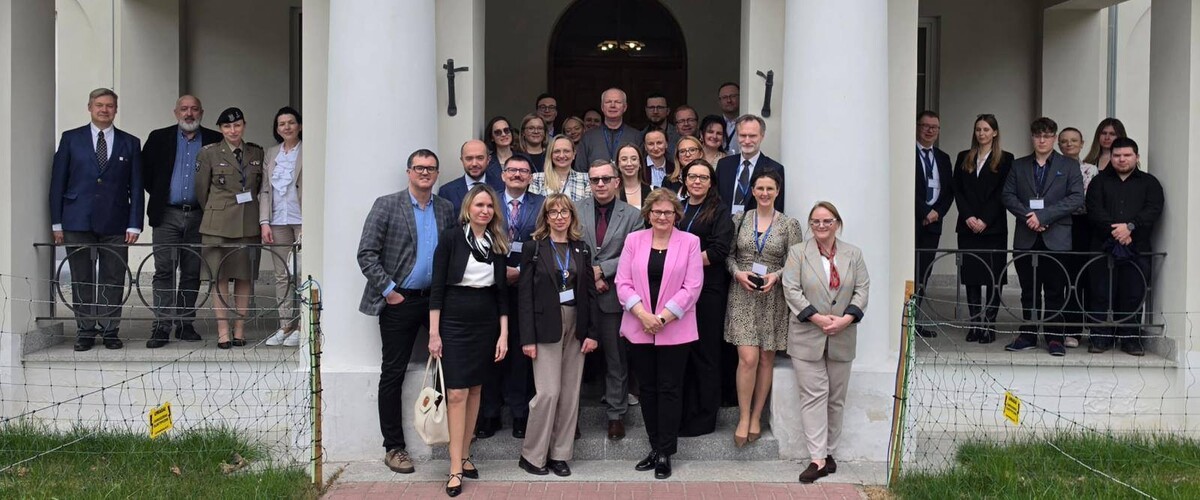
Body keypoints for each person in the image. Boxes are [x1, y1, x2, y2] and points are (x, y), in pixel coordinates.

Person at [356, 149, 456, 476]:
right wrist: (390, 292)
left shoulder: (446, 209)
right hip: (399, 302)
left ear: (437, 173)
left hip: (436, 302)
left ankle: (451, 441)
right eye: (419, 168)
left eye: (430, 168)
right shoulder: (387, 205)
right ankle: (394, 447)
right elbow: (366, 253)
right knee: (394, 372)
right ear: (409, 172)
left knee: (452, 366)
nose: (425, 173)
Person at [428, 184, 511, 497]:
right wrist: (434, 333)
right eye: (479, 205)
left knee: (476, 388)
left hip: (486, 323)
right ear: (468, 208)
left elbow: (502, 294)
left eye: (489, 206)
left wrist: (503, 334)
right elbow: (437, 287)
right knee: (457, 392)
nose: (485, 211)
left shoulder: (497, 242)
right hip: (453, 322)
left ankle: (465, 455)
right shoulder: (451, 238)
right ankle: (453, 468)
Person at [615, 188, 704, 480]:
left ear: (676, 214)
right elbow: (622, 282)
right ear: (648, 214)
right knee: (648, 390)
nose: (662, 217)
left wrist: (662, 318)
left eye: (667, 212)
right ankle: (654, 447)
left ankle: (666, 451)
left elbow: (692, 287)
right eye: (656, 212)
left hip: (674, 329)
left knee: (669, 389)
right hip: (639, 326)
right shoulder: (633, 240)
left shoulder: (690, 242)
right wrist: (642, 315)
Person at [781, 201, 870, 484]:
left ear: (837, 223)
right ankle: (817, 458)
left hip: (842, 335)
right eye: (816, 221)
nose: (821, 226)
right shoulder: (798, 253)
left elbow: (862, 289)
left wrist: (846, 319)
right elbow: (791, 289)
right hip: (807, 334)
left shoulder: (853, 254)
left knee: (836, 399)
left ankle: (830, 452)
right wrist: (818, 318)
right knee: (813, 397)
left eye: (827, 221)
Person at [50, 88, 144, 351]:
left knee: (113, 276)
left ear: (116, 109)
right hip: (77, 220)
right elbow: (58, 182)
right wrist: (57, 223)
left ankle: (110, 329)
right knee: (82, 276)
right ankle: (86, 330)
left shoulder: (130, 142)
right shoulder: (71, 139)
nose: (104, 110)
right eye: (99, 105)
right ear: (89, 107)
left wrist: (134, 223)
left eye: (110, 106)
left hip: (116, 222)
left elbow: (136, 187)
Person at [516, 194, 599, 477]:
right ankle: (532, 454)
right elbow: (524, 296)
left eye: (565, 212)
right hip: (545, 327)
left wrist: (592, 332)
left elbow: (589, 294)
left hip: (577, 324)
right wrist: (526, 338)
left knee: (569, 393)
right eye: (554, 212)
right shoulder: (534, 248)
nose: (560, 216)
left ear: (572, 217)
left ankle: (559, 455)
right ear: (546, 217)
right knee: (548, 392)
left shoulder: (581, 249)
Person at [724, 170, 803, 447]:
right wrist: (737, 274)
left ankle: (758, 415)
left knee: (767, 359)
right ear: (753, 191)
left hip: (772, 296)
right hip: (743, 294)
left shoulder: (789, 225)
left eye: (770, 188)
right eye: (760, 188)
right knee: (748, 358)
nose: (765, 193)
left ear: (777, 191)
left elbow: (795, 262)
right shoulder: (740, 219)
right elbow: (729, 256)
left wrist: (776, 276)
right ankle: (743, 416)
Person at [141, 95, 221, 348]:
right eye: (184, 109)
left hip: (200, 214)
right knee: (164, 270)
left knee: (191, 272)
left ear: (202, 112)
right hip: (166, 214)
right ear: (175, 112)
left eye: (194, 109)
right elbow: (145, 174)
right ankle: (162, 326)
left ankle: (185, 323)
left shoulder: (212, 140)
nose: (189, 114)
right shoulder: (158, 138)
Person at [1001, 117, 1084, 357]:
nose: (1042, 140)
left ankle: (1054, 336)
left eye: (1047, 136)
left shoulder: (1068, 166)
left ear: (1054, 138)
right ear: (1032, 137)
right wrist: (1029, 216)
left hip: (1056, 237)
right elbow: (1007, 195)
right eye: (1038, 135)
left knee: (1056, 289)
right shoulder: (1019, 165)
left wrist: (1044, 216)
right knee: (1029, 289)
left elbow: (1076, 197)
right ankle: (1028, 333)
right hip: (1027, 236)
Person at [476, 155, 545, 440]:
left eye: (523, 171)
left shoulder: (541, 205)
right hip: (490, 287)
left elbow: (545, 242)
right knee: (490, 350)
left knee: (519, 352)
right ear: (502, 175)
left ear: (531, 177)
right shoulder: (487, 202)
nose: (517, 174)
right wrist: (498, 271)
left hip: (526, 288)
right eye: (512, 170)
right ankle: (490, 412)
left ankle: (519, 412)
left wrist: (521, 271)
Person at [577, 159, 644, 440]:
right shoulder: (575, 210)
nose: (601, 184)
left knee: (616, 358)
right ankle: (571, 417)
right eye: (595, 180)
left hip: (614, 296)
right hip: (579, 296)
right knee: (575, 358)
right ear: (589, 183)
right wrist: (589, 274)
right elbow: (568, 244)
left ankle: (616, 414)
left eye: (606, 179)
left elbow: (635, 251)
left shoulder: (633, 215)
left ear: (617, 181)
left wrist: (603, 270)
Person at [1085, 137, 1163, 355]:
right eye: (1117, 155)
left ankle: (1130, 339)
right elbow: (1093, 209)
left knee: (1133, 292)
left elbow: (1153, 209)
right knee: (1100, 292)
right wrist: (1117, 232)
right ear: (1110, 157)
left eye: (1127, 155)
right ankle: (1100, 338)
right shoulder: (1098, 182)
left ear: (1136, 157)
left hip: (1136, 246)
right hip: (1102, 245)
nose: (1121, 159)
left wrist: (1130, 227)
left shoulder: (1150, 183)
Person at [195, 107, 263, 349]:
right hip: (217, 225)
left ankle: (240, 329)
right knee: (218, 278)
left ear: (244, 125)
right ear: (220, 129)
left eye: (237, 125)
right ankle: (223, 331)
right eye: (227, 127)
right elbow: (201, 192)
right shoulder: (209, 153)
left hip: (247, 223)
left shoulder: (256, 152)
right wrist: (218, 211)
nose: (232, 130)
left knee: (245, 278)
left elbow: (259, 187)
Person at [675, 160, 734, 437]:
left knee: (706, 352)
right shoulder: (677, 208)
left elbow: (720, 250)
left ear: (711, 182)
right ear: (685, 181)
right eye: (692, 177)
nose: (697, 181)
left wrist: (684, 261)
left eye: (703, 177)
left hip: (708, 291)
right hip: (678, 290)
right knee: (683, 352)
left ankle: (704, 418)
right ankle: (684, 412)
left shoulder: (720, 211)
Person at [952, 114, 1013, 344]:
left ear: (995, 132)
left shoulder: (1006, 159)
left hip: (993, 227)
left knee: (993, 277)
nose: (982, 133)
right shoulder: (963, 157)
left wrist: (985, 219)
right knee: (972, 276)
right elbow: (957, 189)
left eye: (986, 129)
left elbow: (1002, 192)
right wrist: (968, 216)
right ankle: (975, 323)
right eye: (978, 129)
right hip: (968, 227)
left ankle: (989, 323)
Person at [260, 106, 304, 347]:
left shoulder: (307, 150)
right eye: (281, 124)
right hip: (277, 220)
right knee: (281, 275)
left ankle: (303, 325)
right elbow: (265, 189)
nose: (286, 127)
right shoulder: (272, 152)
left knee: (302, 274)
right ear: (277, 129)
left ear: (299, 125)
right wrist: (264, 221)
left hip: (301, 220)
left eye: (291, 122)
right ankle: (285, 324)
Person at [913, 110, 954, 337]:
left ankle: (916, 321)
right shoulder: (907, 154)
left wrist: (937, 212)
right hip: (913, 222)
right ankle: (904, 323)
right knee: (907, 270)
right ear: (917, 127)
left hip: (933, 225)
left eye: (934, 127)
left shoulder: (943, 158)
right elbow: (907, 186)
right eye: (925, 125)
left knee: (924, 272)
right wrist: (924, 210)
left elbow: (949, 192)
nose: (929, 130)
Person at [1059, 127, 1099, 348]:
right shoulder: (1054, 168)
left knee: (1083, 278)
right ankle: (1069, 328)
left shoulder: (1090, 170)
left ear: (1082, 143)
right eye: (1064, 141)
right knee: (1065, 278)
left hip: (1084, 227)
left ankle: (1089, 328)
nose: (1069, 144)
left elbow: (1088, 201)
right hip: (1059, 226)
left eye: (1073, 140)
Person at [716, 114, 785, 214]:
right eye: (743, 135)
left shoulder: (775, 168)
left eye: (752, 136)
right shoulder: (724, 165)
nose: (747, 141)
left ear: (762, 136)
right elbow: (716, 200)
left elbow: (777, 207)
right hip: (725, 226)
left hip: (756, 227)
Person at [574, 88, 644, 171]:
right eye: (608, 102)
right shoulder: (588, 137)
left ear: (625, 107)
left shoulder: (636, 136)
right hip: (596, 183)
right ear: (602, 107)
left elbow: (641, 170)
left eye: (617, 102)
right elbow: (580, 170)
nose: (613, 105)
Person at [438, 140, 506, 210]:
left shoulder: (502, 186)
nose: (474, 164)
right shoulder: (447, 192)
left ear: (488, 160)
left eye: (480, 158)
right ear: (462, 160)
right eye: (469, 159)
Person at [530, 135, 591, 201]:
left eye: (566, 151)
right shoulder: (537, 179)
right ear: (550, 154)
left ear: (574, 154)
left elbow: (586, 209)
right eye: (557, 151)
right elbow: (533, 209)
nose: (561, 155)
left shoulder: (586, 179)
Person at [616, 143, 651, 208]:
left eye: (634, 159)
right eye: (624, 159)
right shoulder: (611, 193)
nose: (629, 163)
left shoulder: (653, 191)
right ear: (618, 164)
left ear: (640, 163)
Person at [717, 82, 741, 155]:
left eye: (733, 96)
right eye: (724, 97)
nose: (729, 100)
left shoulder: (747, 123)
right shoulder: (715, 124)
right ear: (719, 102)